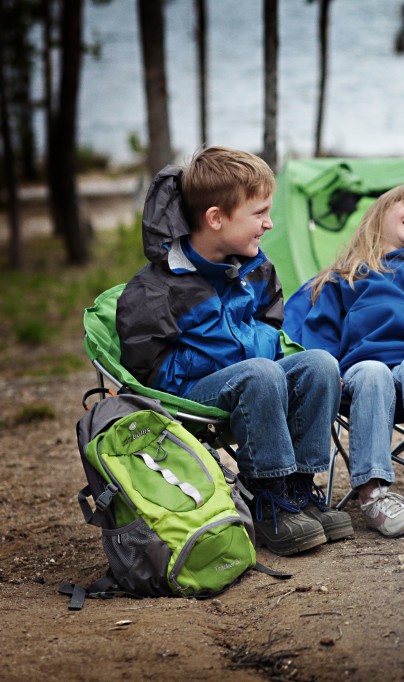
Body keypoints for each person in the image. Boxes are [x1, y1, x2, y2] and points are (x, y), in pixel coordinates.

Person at [116, 146, 352, 556]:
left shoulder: (256, 268)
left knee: (319, 364)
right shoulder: (156, 290)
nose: (269, 223)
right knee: (258, 371)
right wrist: (234, 357)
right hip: (187, 395)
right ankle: (267, 496)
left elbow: (272, 330)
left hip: (254, 381)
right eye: (259, 213)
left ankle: (299, 489)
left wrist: (244, 353)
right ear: (215, 218)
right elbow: (149, 375)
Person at [292, 184, 404, 538]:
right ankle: (373, 494)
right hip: (361, 367)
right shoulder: (346, 275)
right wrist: (330, 369)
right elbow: (320, 334)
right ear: (379, 215)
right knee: (374, 373)